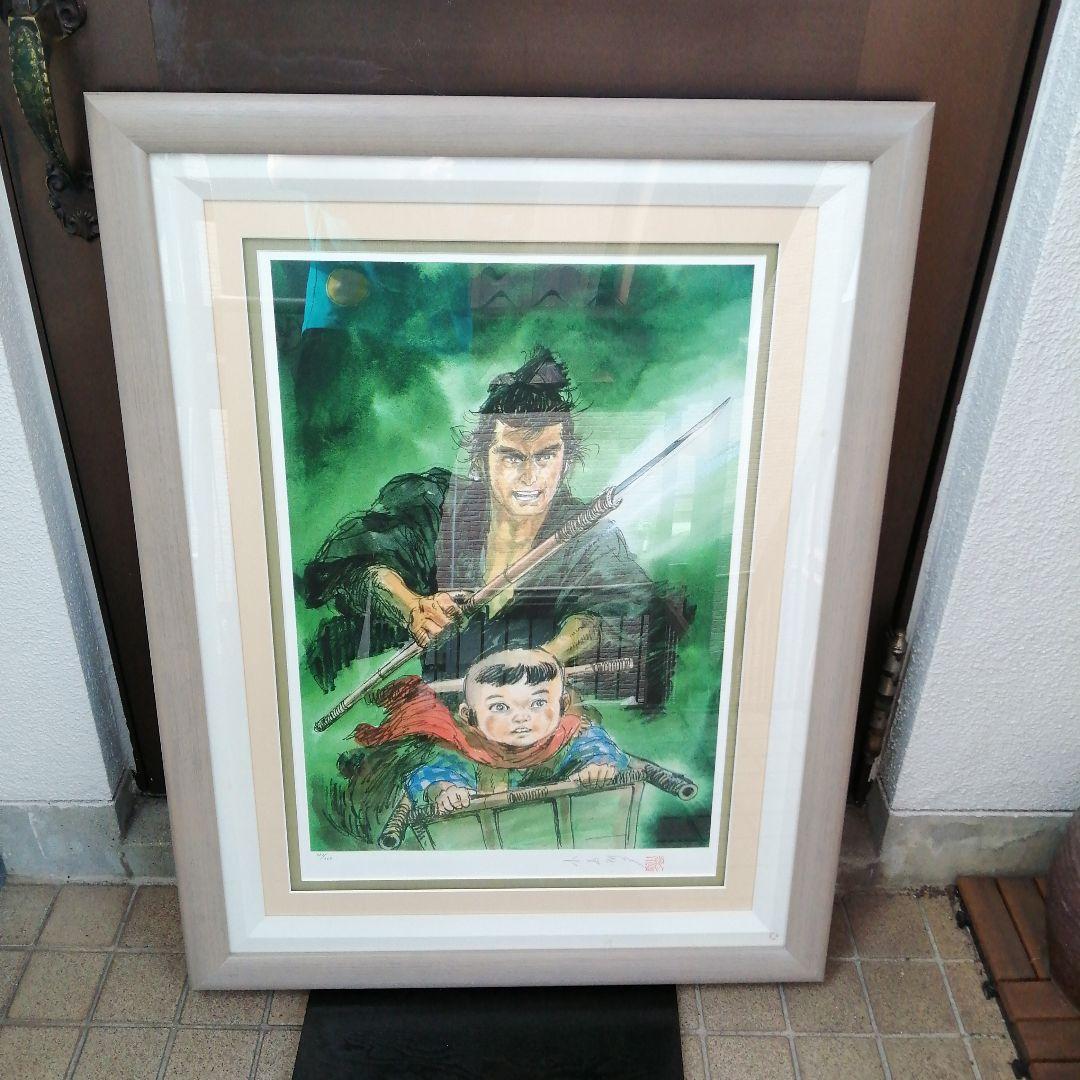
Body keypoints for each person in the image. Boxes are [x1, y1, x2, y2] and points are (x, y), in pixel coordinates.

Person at [300, 345, 658, 695]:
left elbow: (617, 611)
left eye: (546, 456)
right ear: (482, 460)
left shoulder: (588, 535)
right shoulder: (441, 505)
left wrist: (545, 659)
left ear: (566, 460)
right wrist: (412, 607)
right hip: (428, 710)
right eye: (512, 457)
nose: (530, 476)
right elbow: (356, 564)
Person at [348, 648, 628, 818]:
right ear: (469, 716)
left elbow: (597, 746)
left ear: (562, 704)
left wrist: (598, 765)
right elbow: (432, 774)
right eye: (500, 707)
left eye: (538, 703)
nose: (522, 717)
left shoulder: (569, 735)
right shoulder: (468, 749)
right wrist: (445, 790)